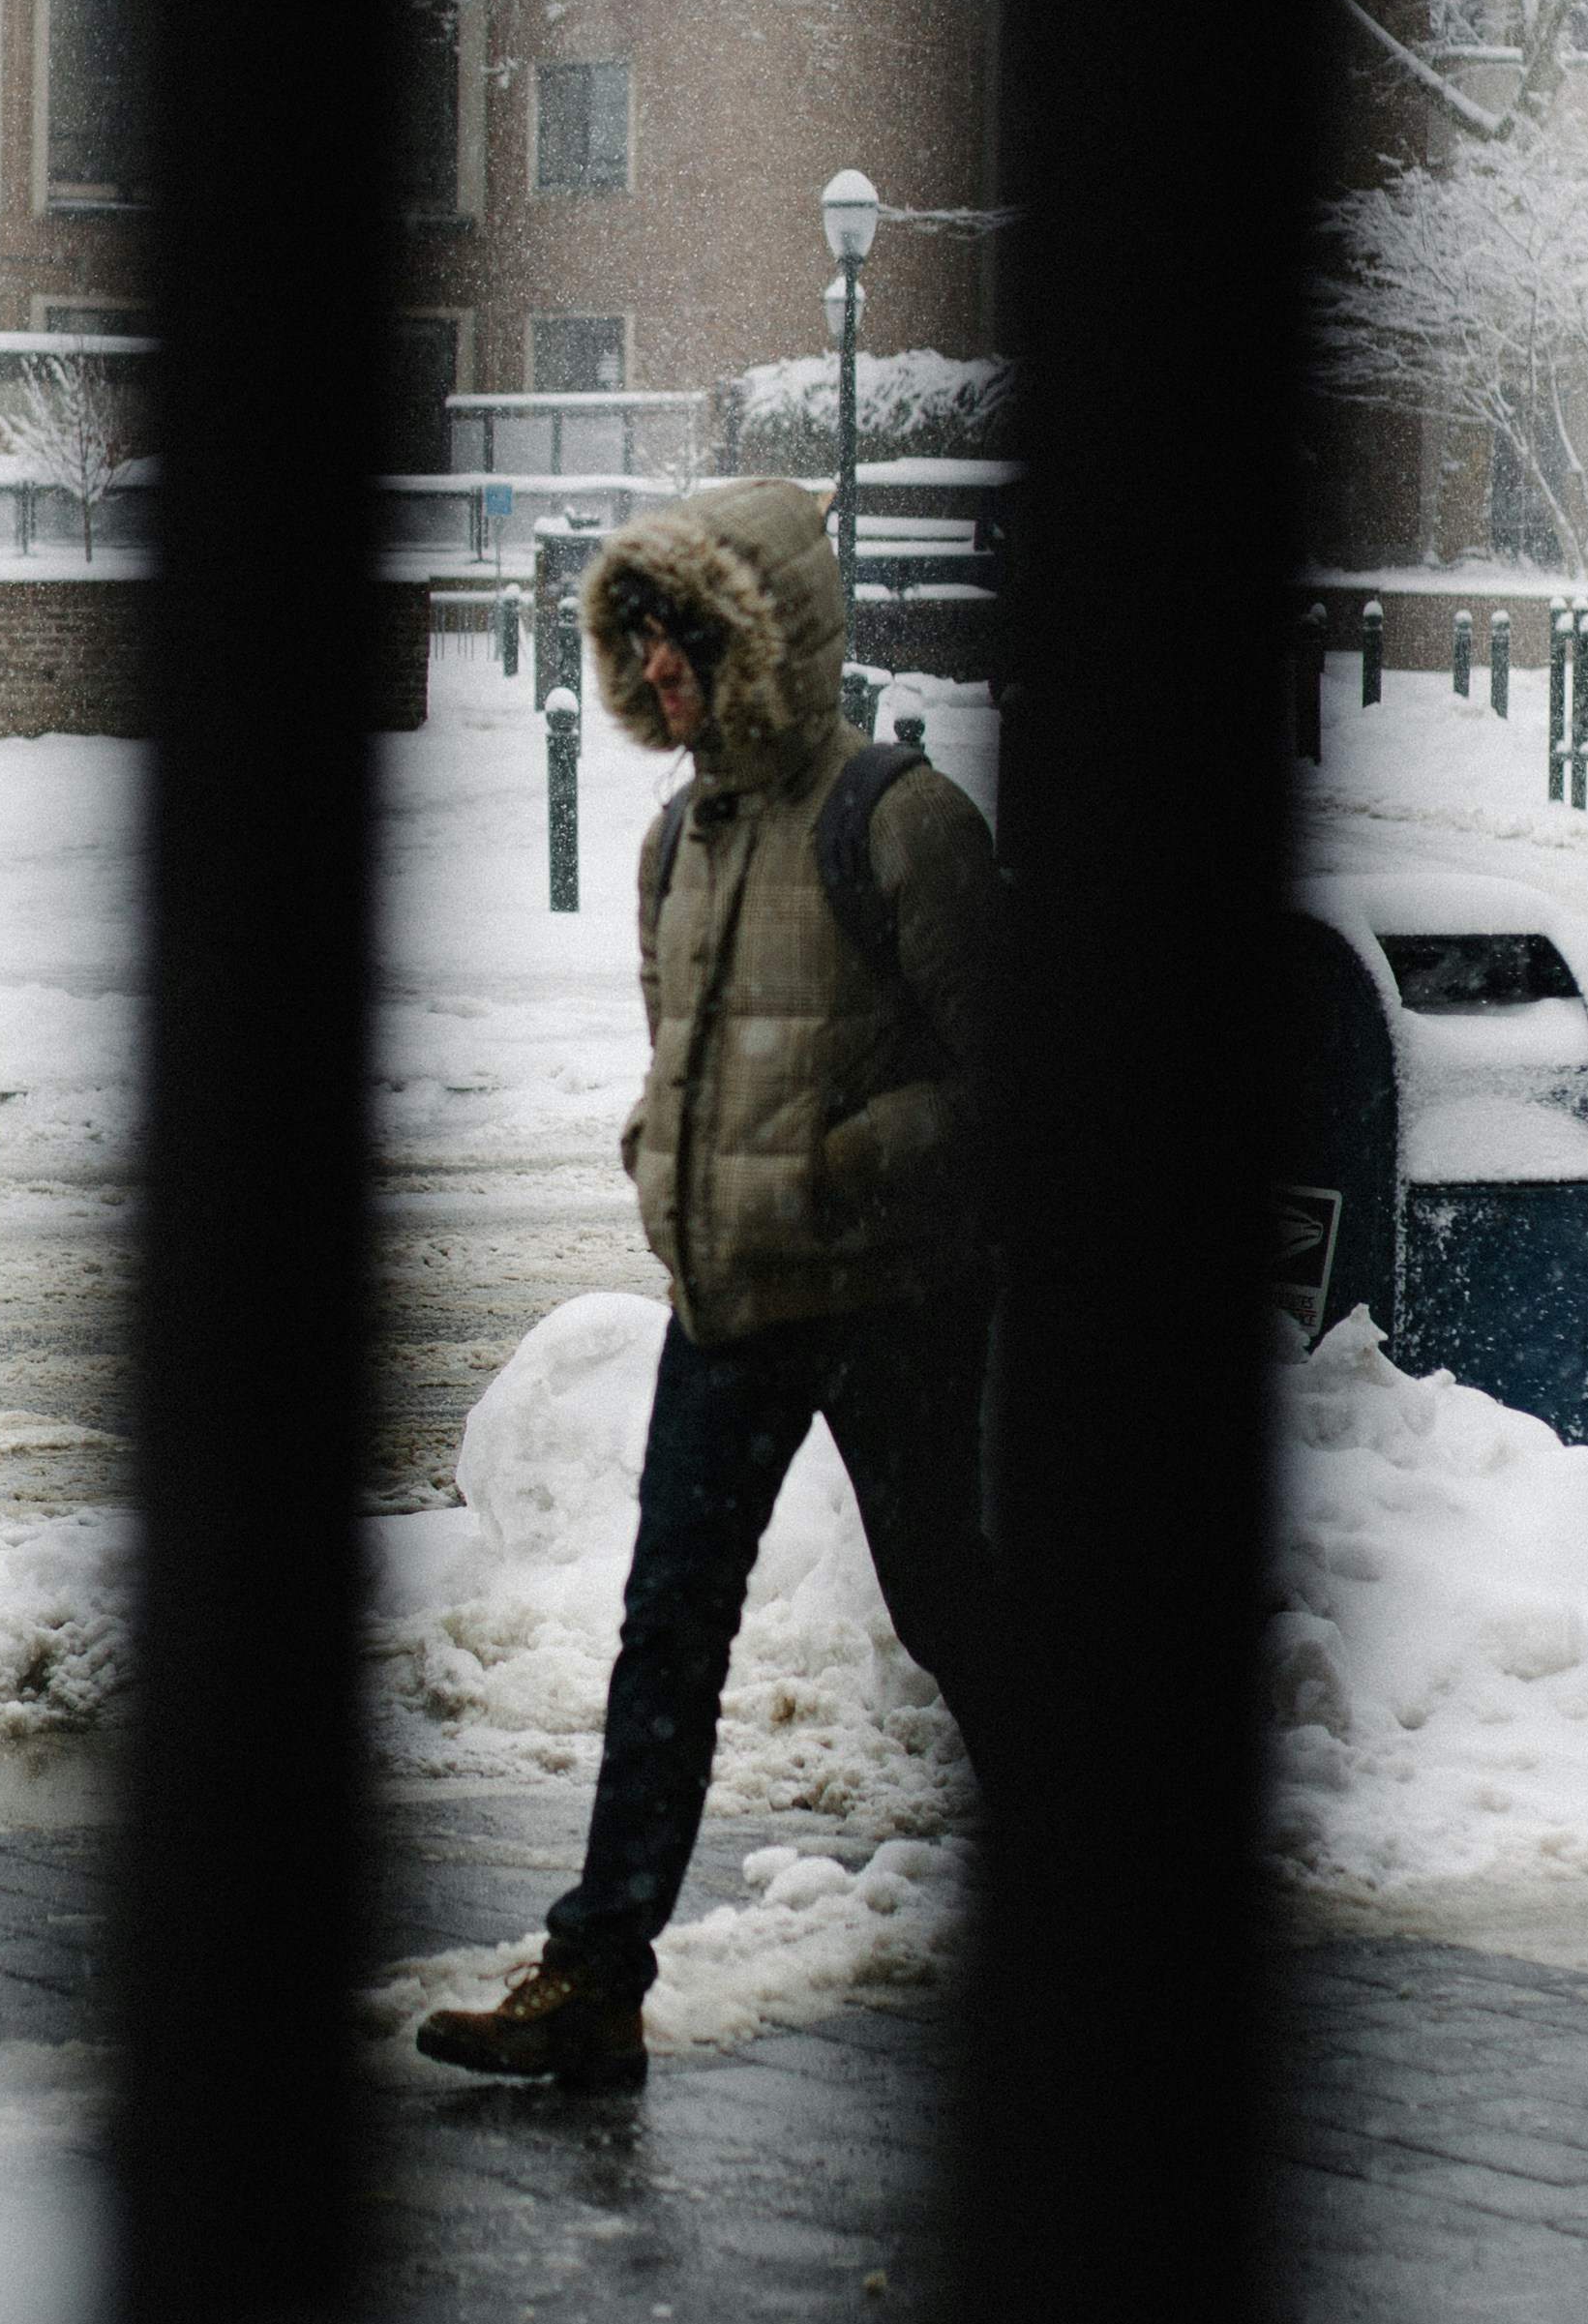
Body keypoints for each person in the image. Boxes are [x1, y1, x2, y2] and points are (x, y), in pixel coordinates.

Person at [417, 478, 1012, 2093]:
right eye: (640, 644)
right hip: (732, 1297)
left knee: (952, 1600)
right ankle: (595, 1973)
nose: (661, 674)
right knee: (663, 1627)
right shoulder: (677, 835)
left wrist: (841, 1161)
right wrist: (661, 1148)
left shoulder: (898, 818)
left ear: (764, 641)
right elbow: (686, 1047)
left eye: (687, 640)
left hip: (889, 1293)